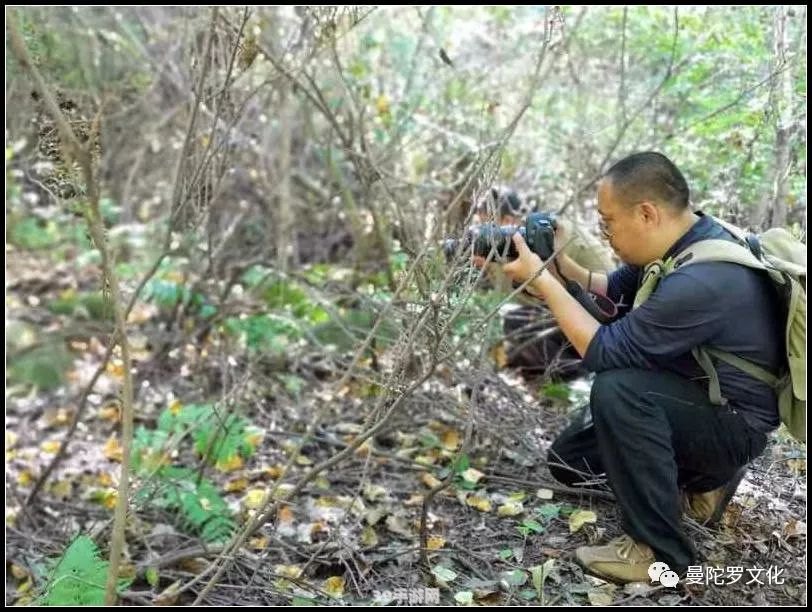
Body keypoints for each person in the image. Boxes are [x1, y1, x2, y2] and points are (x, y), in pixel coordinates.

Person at [496, 152, 782, 583]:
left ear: (646, 213)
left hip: (732, 426)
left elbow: (605, 351)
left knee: (618, 388)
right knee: (569, 461)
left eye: (608, 221)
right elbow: (611, 292)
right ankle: (705, 486)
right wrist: (557, 266)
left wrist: (544, 284)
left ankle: (659, 553)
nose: (605, 233)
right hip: (698, 403)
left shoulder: (704, 280)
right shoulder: (684, 241)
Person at [472, 187, 614, 381]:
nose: (484, 235)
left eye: (487, 228)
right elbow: (527, 296)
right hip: (591, 304)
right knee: (517, 327)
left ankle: (582, 377)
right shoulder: (526, 236)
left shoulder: (548, 234)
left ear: (506, 222)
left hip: (605, 309)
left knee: (518, 323)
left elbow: (543, 292)